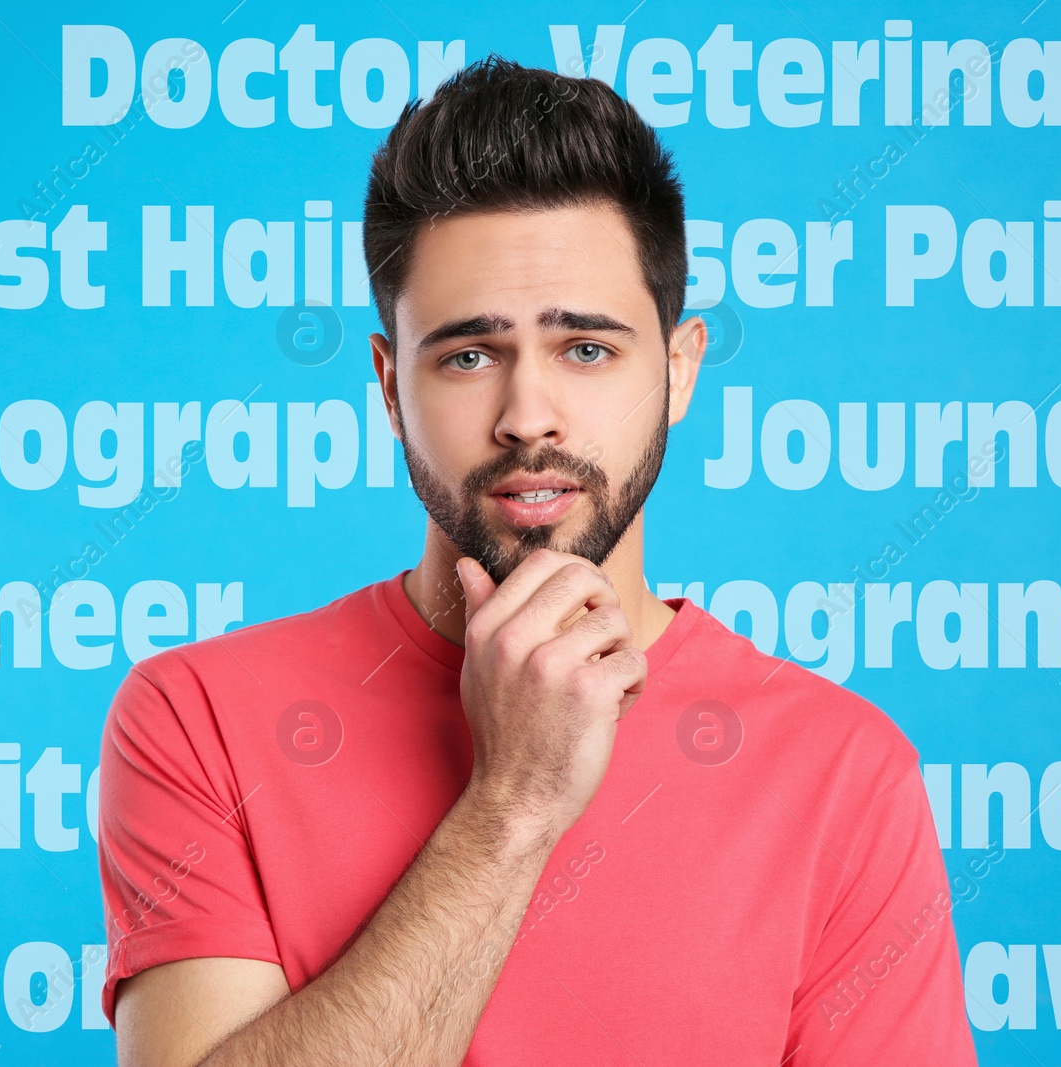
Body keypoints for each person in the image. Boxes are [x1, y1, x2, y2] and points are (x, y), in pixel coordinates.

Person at [97, 54, 978, 1066]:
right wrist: (511, 806)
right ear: (390, 386)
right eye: (468, 355)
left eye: (586, 349)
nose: (527, 418)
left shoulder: (841, 772)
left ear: (678, 369)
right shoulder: (198, 718)